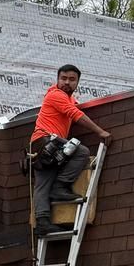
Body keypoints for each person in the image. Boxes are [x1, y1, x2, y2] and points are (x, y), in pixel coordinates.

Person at [29, 64, 111, 235]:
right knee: (81, 152)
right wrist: (100, 131)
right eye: (63, 78)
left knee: (44, 182)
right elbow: (75, 114)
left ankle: (43, 221)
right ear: (57, 80)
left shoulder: (68, 98)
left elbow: (74, 107)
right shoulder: (56, 95)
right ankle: (59, 188)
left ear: (77, 82)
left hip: (48, 143)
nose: (67, 82)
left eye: (72, 80)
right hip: (44, 141)